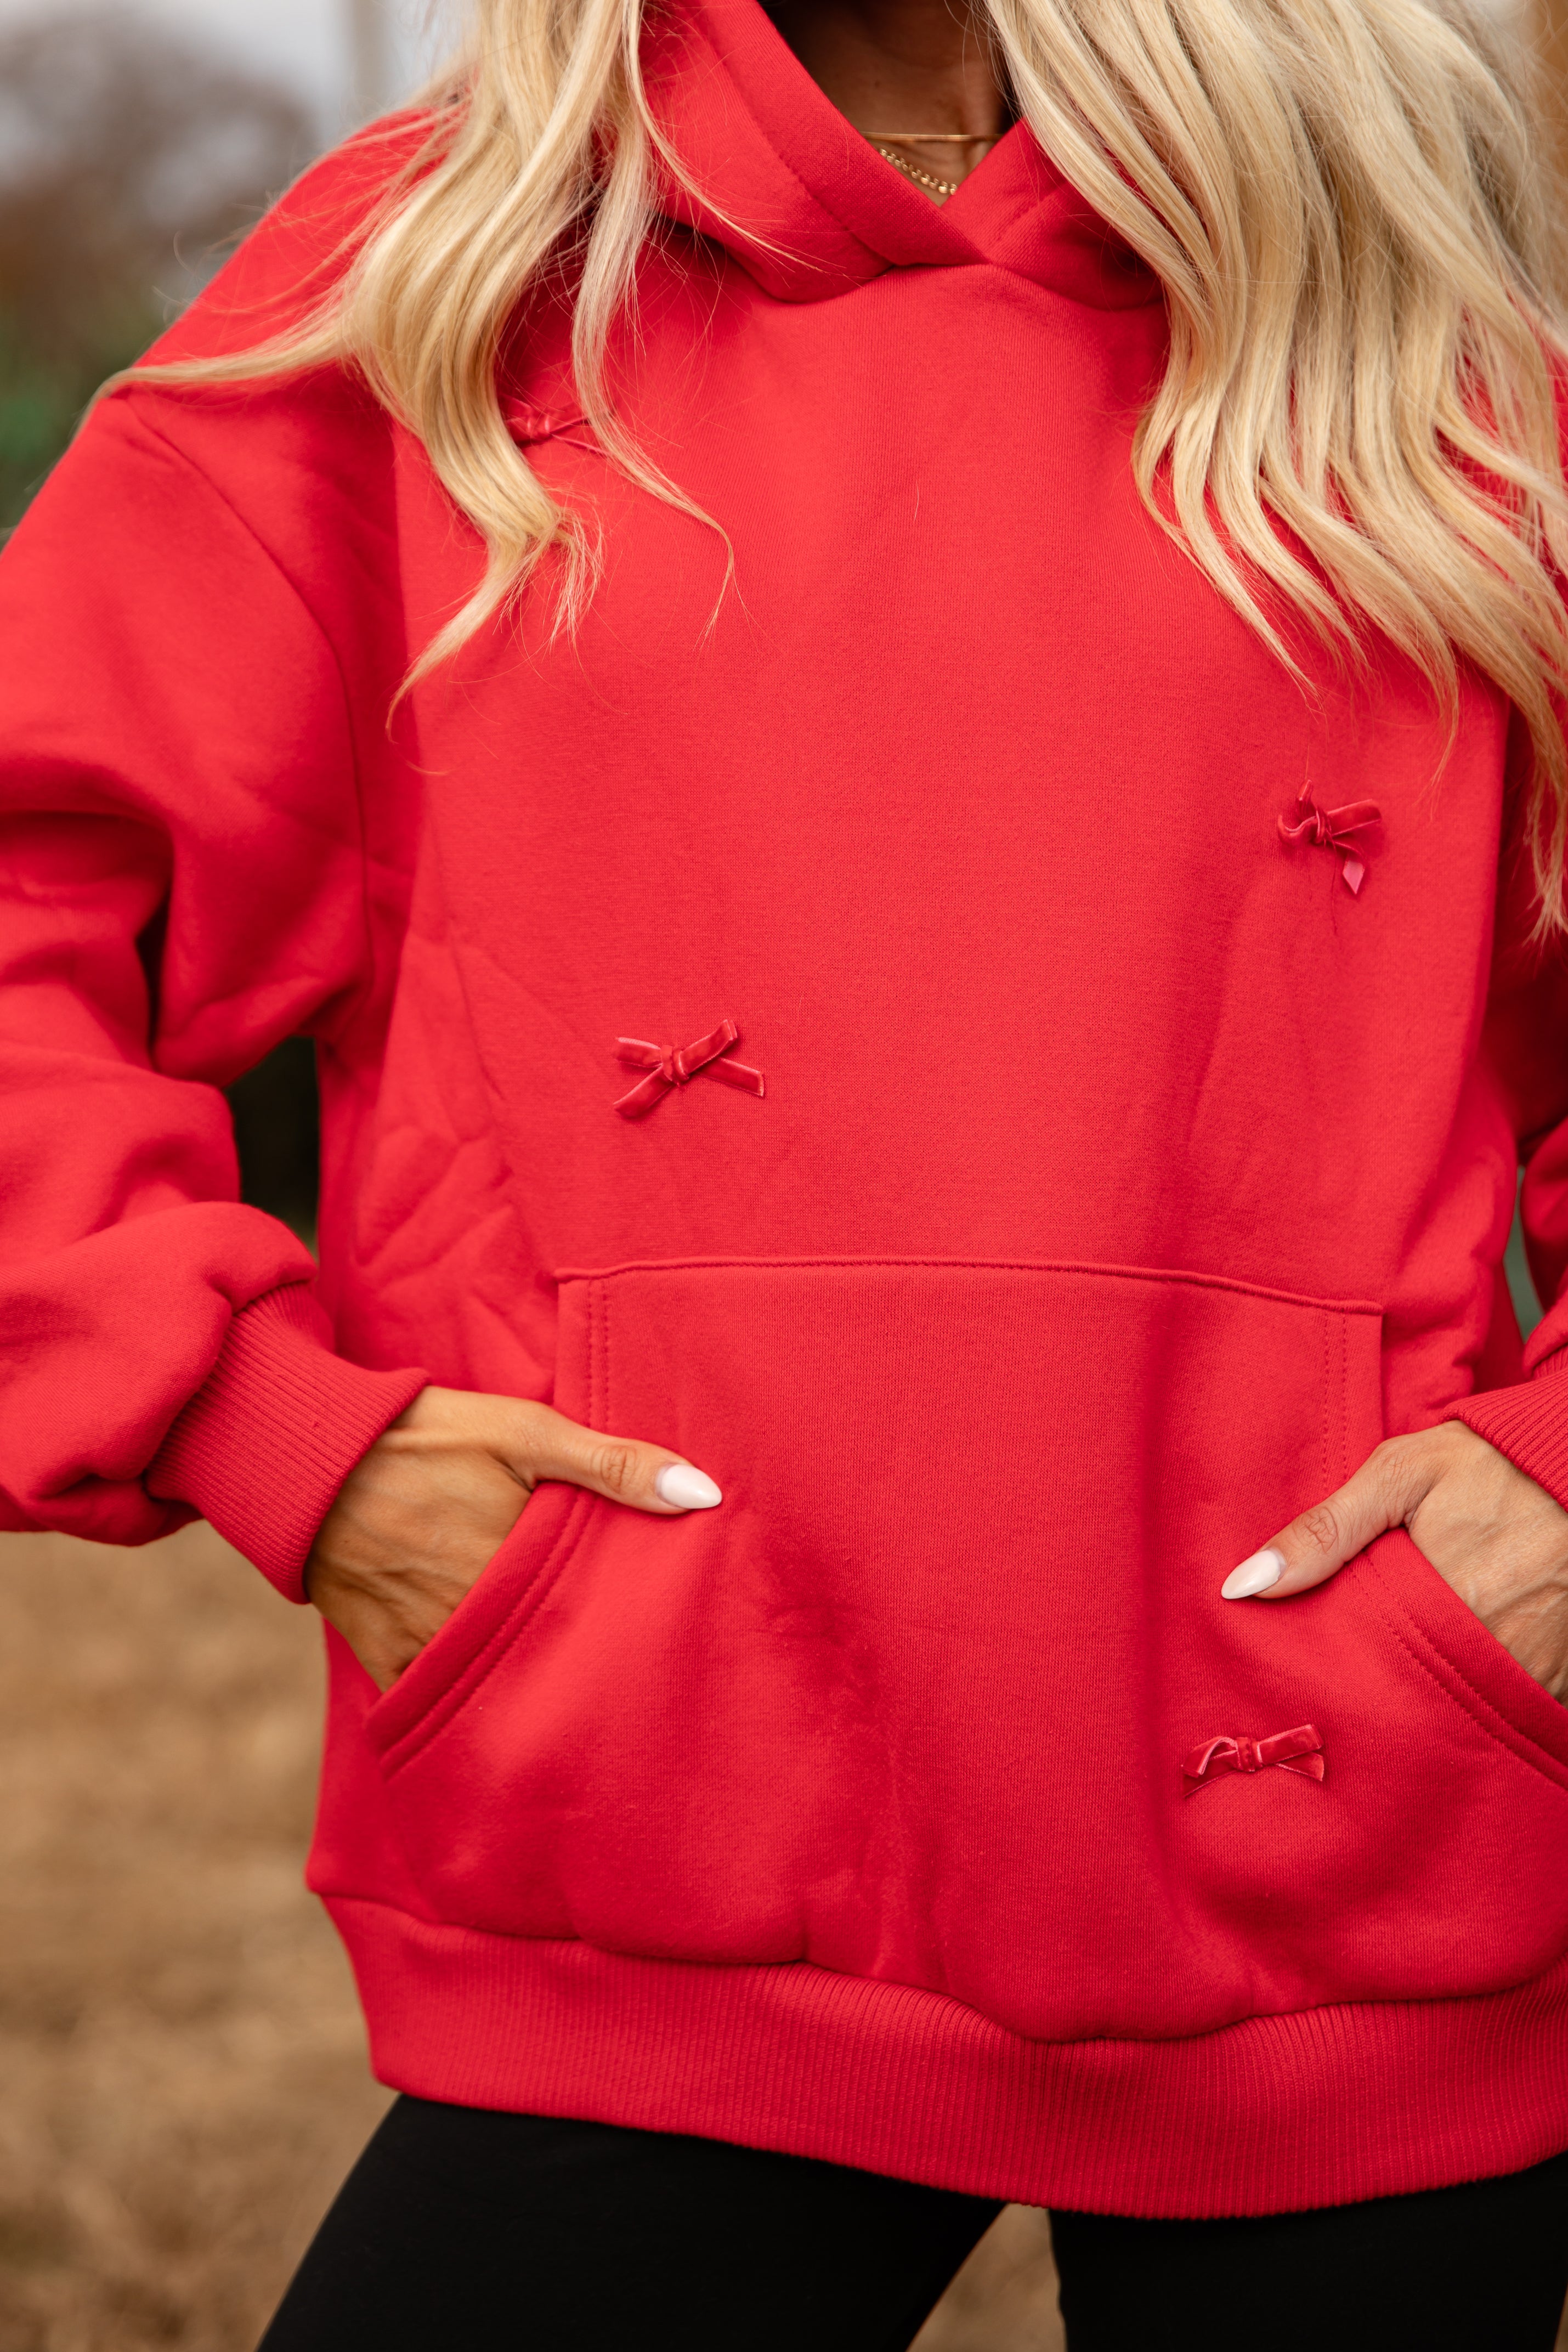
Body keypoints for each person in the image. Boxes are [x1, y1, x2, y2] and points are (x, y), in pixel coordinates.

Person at [6, 0, 1568, 2337]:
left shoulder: (1401, 320)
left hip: (1361, 1842)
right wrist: (276, 1436)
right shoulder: (433, 292)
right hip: (657, 1843)